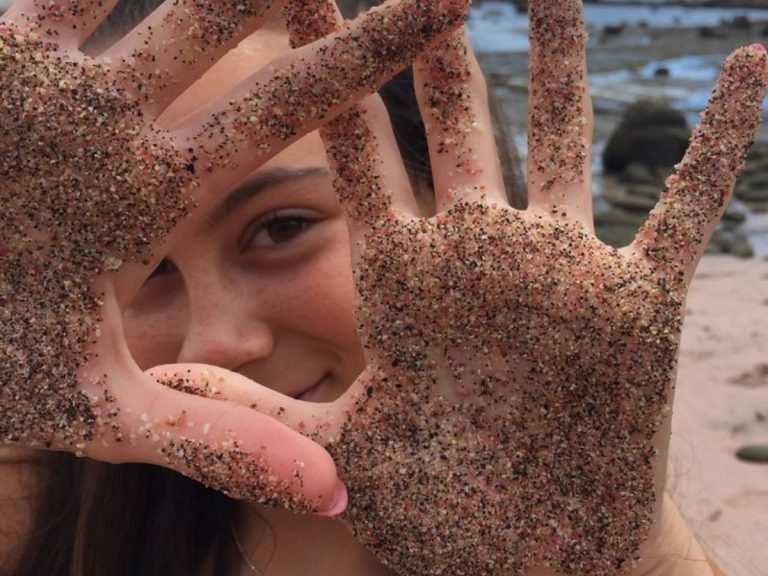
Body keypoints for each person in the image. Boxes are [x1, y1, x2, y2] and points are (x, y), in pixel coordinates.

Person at [1, 0, 760, 574]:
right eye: (145, 272)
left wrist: (633, 563)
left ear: (445, 200)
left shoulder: (576, 524)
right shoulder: (35, 513)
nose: (220, 345)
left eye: (281, 228)